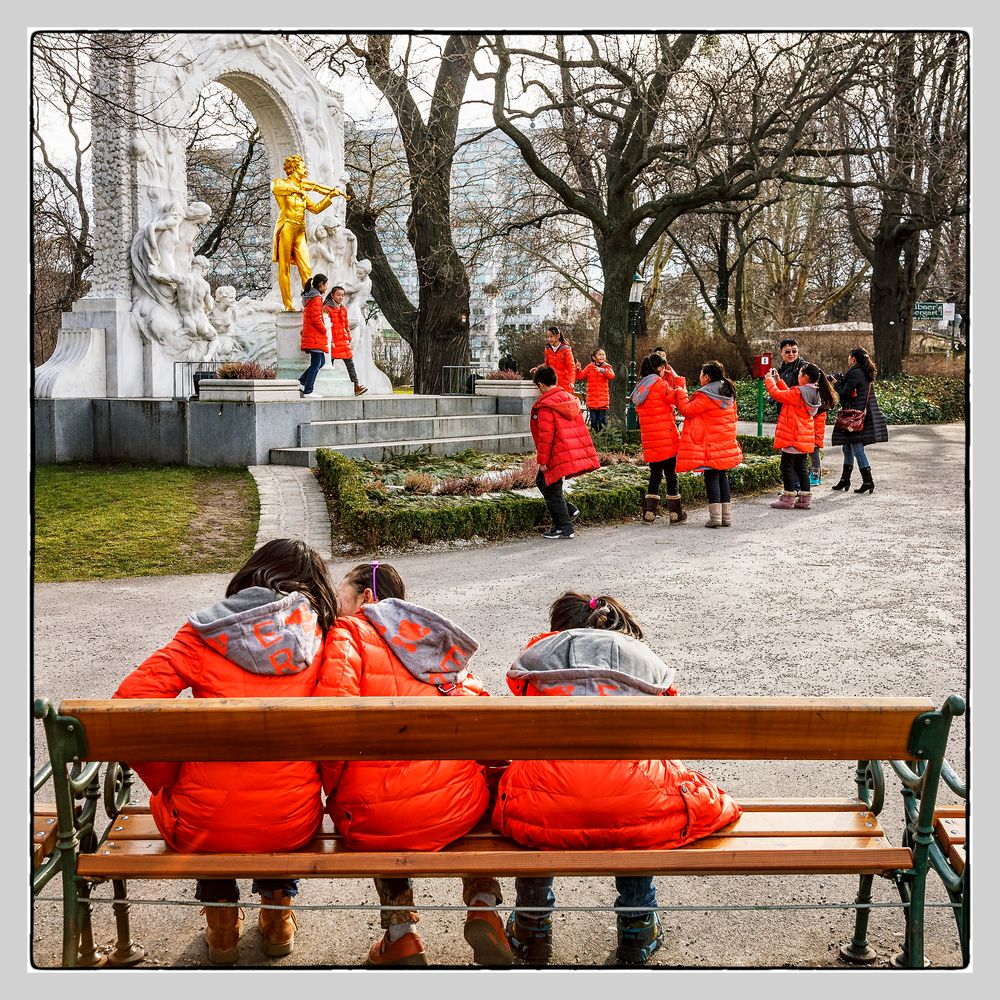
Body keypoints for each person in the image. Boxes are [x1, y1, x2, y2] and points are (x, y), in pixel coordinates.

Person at [112, 539, 339, 965]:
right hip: (291, 824)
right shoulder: (323, 638)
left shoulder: (204, 634)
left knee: (203, 805)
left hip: (203, 826)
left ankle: (222, 927)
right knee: (280, 794)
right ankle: (277, 916)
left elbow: (128, 703)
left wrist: (169, 778)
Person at [495, 591, 742, 967]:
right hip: (633, 809)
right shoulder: (643, 664)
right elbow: (667, 731)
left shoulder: (536, 664)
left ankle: (531, 926)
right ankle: (638, 927)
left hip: (546, 813)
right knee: (637, 800)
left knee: (540, 796)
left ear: (558, 630)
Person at [317, 562, 513, 968]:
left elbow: (329, 722)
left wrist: (336, 790)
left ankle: (401, 934)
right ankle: (483, 903)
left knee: (373, 799)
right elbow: (479, 709)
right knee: (475, 783)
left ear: (367, 599)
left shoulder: (349, 633)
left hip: (378, 822)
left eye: (341, 598)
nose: (335, 610)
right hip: (457, 813)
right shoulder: (427, 637)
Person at [530, 365, 600, 540]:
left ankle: (564, 528)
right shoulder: (567, 399)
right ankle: (569, 510)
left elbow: (546, 437)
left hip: (555, 453)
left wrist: (543, 460)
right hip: (566, 450)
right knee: (542, 482)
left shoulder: (546, 405)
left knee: (552, 489)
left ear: (541, 385)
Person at [673, 360, 743, 528]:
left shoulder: (706, 396)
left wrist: (681, 392)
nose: (700, 376)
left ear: (707, 377)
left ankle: (715, 518)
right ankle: (726, 517)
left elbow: (687, 410)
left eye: (701, 373)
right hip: (724, 442)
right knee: (722, 477)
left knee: (711, 477)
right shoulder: (728, 392)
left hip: (710, 444)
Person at [271, 154, 341, 311]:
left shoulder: (302, 190)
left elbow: (315, 209)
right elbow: (276, 188)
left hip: (299, 230)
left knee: (306, 267)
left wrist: (330, 195)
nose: (305, 169)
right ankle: (288, 305)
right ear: (294, 168)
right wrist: (298, 189)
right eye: (303, 167)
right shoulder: (280, 183)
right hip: (286, 226)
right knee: (285, 268)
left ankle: (310, 302)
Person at [764, 362, 838, 511]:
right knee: (801, 468)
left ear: (805, 377)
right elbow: (789, 396)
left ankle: (788, 498)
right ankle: (804, 499)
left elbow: (778, 395)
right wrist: (779, 380)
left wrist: (769, 381)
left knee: (786, 467)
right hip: (804, 437)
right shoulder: (813, 392)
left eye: (799, 374)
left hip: (792, 435)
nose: (798, 376)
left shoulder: (799, 392)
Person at [630, 353, 685, 525]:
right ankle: (675, 513)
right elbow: (677, 397)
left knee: (654, 475)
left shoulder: (640, 387)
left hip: (650, 440)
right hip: (666, 438)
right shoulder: (660, 385)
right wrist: (679, 381)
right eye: (663, 368)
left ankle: (649, 513)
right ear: (659, 368)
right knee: (671, 475)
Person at [830, 346, 889, 494]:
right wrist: (842, 379)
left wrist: (836, 383)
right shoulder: (864, 372)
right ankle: (845, 480)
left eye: (849, 357)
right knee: (847, 447)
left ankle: (868, 481)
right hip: (858, 414)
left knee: (857, 448)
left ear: (853, 358)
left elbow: (844, 393)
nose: (848, 359)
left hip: (852, 417)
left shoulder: (855, 373)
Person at [776, 338, 824, 486]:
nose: (791, 354)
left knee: (794, 459)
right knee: (798, 459)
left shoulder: (804, 369)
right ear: (781, 353)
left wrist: (772, 384)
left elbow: (791, 394)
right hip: (788, 414)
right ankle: (801, 491)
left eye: (794, 351)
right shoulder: (782, 369)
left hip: (799, 417)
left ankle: (793, 489)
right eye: (788, 352)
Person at [323, 283, 368, 396]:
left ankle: (356, 386)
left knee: (350, 364)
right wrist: (330, 340)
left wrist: (348, 336)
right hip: (332, 341)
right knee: (328, 364)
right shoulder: (327, 308)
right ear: (332, 295)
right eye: (338, 295)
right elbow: (326, 325)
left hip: (343, 340)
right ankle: (326, 387)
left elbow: (345, 324)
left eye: (342, 295)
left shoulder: (343, 308)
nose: (341, 297)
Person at [298, 273, 329, 397]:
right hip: (315, 336)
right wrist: (324, 329)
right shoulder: (316, 298)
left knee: (320, 362)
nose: (327, 287)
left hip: (312, 335)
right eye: (326, 285)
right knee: (317, 363)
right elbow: (316, 319)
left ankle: (301, 382)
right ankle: (308, 390)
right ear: (321, 284)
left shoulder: (311, 297)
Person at [577, 348, 616, 432]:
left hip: (602, 400)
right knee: (594, 421)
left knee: (602, 421)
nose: (602, 356)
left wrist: (602, 370)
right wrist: (578, 369)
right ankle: (595, 439)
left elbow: (612, 376)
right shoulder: (590, 366)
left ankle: (602, 438)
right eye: (599, 354)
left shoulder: (607, 366)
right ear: (594, 357)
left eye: (603, 354)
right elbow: (580, 376)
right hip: (592, 400)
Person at [530, 326, 578, 394]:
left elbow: (571, 367)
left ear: (558, 336)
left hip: (565, 384)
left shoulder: (566, 349)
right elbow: (547, 364)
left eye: (551, 337)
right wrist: (538, 369)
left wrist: (571, 381)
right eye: (548, 337)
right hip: (553, 383)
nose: (549, 339)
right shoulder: (547, 349)